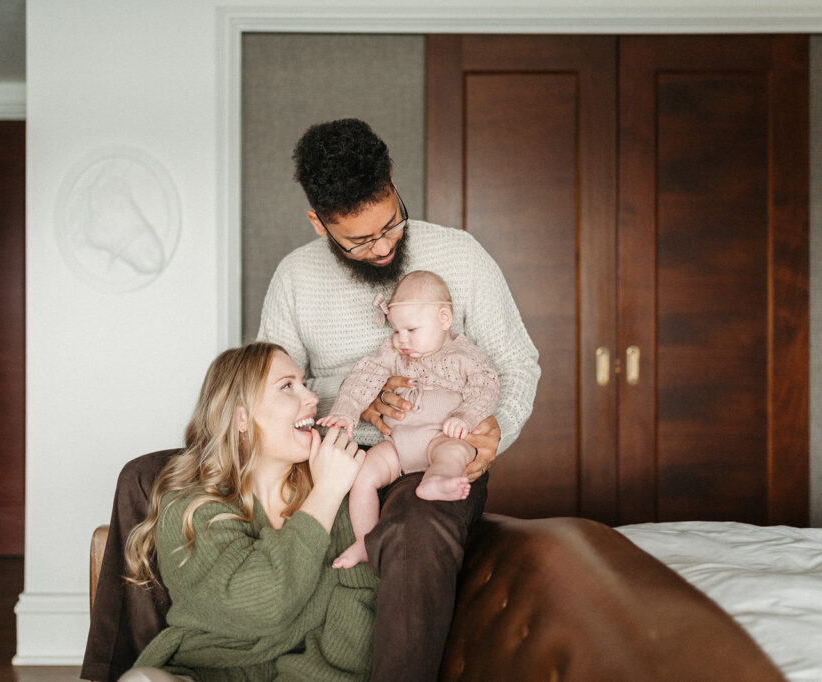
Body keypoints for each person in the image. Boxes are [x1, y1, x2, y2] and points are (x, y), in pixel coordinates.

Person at [257, 118, 540, 681]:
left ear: (391, 180)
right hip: (328, 453)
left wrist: (486, 435)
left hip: (436, 450)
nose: (383, 246)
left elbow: (515, 364)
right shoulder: (294, 278)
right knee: (146, 478)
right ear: (319, 223)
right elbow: (271, 388)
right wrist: (351, 404)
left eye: (390, 224)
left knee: (417, 530)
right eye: (359, 240)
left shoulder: (461, 255)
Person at [117, 342, 377, 682]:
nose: (312, 398)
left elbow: (358, 603)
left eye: (304, 384)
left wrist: (329, 491)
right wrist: (326, 494)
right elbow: (261, 607)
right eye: (287, 387)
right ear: (242, 416)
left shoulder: (335, 491)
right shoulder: (190, 508)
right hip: (202, 672)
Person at [320, 270, 500, 569]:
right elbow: (363, 377)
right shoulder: (394, 352)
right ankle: (364, 540)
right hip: (397, 444)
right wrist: (346, 410)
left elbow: (486, 386)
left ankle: (438, 481)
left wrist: (465, 416)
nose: (402, 340)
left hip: (442, 435)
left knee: (453, 453)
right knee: (363, 473)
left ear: (444, 319)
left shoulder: (462, 354)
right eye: (396, 331)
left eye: (411, 330)